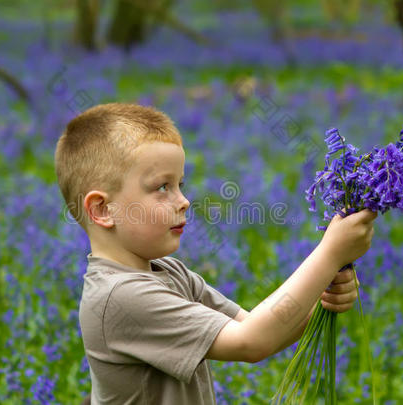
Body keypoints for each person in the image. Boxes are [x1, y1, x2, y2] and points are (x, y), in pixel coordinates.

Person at [54, 103, 377, 404]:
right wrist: (329, 254)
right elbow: (252, 341)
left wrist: (321, 298)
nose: (184, 201)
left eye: (180, 184)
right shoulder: (119, 298)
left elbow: (258, 328)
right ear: (102, 209)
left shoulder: (169, 272)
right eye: (162, 187)